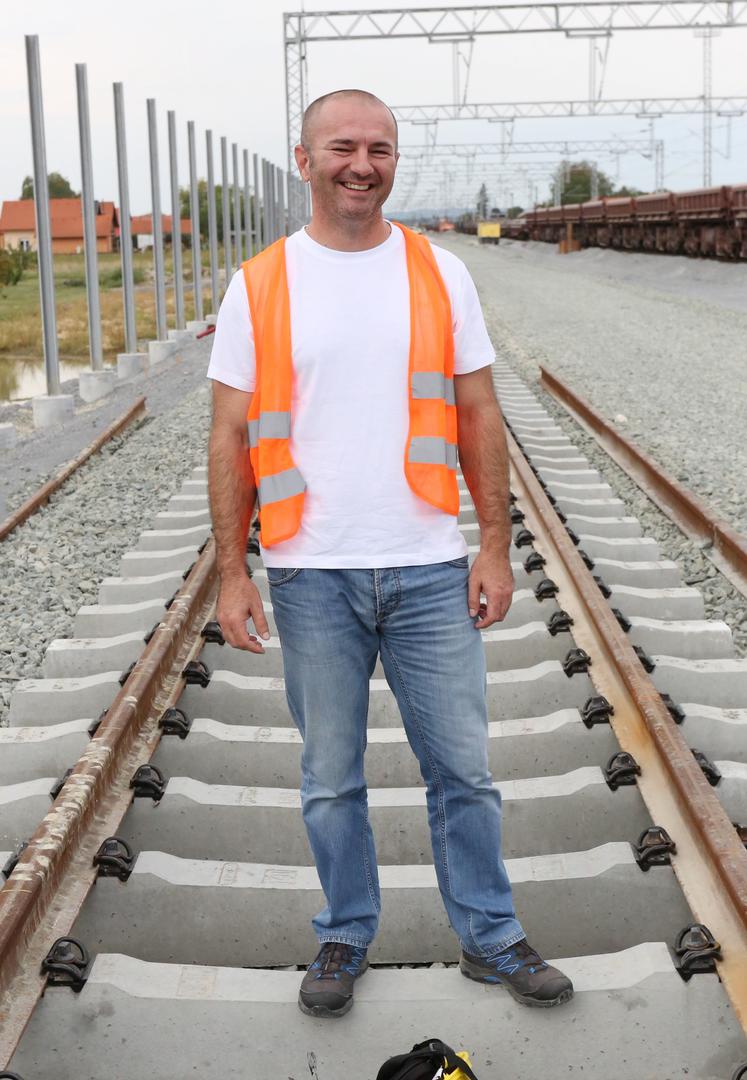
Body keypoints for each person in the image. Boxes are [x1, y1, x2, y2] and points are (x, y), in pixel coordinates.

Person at [206, 88, 574, 1019]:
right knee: (331, 780)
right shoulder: (259, 283)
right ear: (304, 160)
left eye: (378, 149)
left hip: (426, 563)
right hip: (310, 569)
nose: (361, 165)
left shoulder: (440, 273)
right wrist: (232, 571)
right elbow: (229, 433)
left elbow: (478, 410)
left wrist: (493, 545)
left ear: (393, 161)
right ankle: (344, 932)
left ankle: (490, 935)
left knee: (464, 773)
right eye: (342, 148)